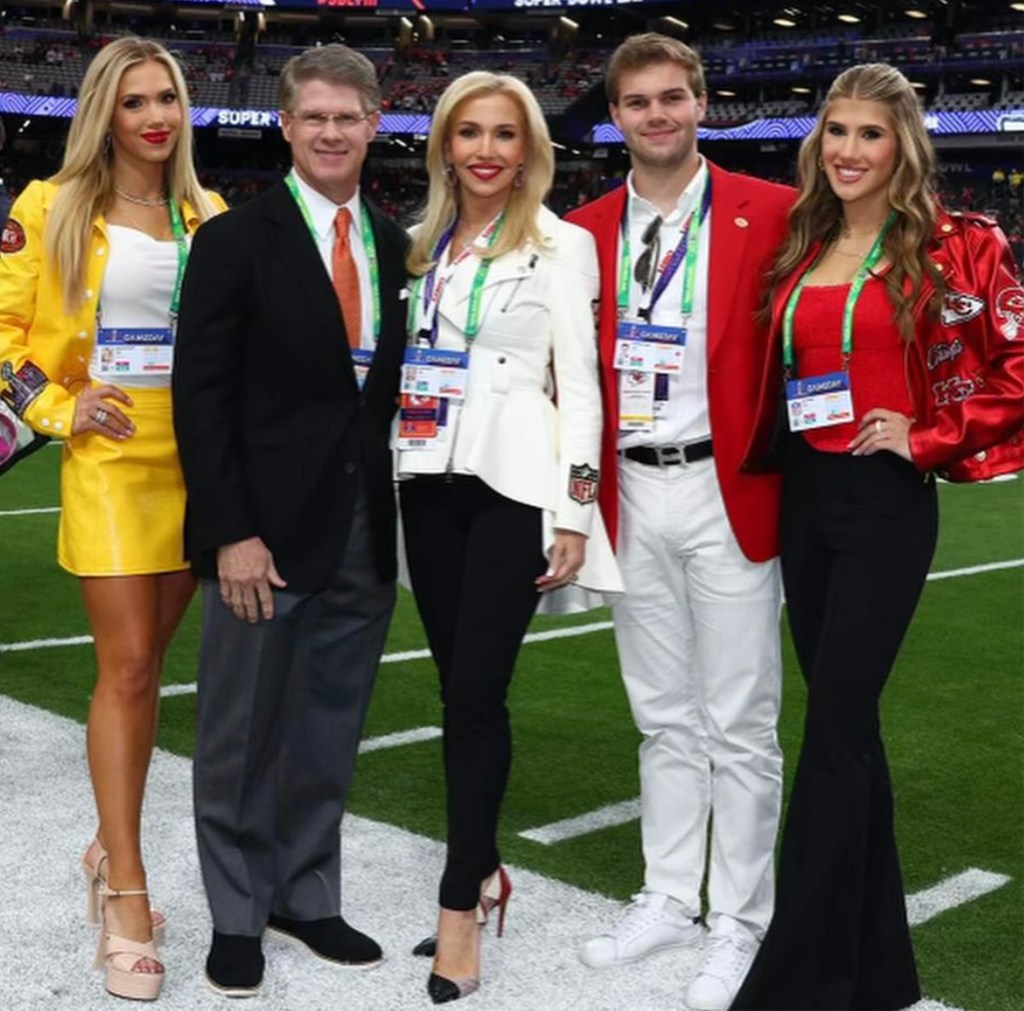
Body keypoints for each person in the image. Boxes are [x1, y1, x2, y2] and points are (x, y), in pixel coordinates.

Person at [732, 63, 1023, 1011]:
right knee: (848, 734)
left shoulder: (957, 244)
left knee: (833, 728)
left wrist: (929, 435)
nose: (849, 150)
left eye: (870, 134)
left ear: (903, 146)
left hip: (888, 500)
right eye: (837, 132)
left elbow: (1017, 367)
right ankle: (875, 970)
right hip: (807, 500)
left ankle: (797, 978)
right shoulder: (803, 237)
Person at [171, 44, 409, 997]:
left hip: (364, 523)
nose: (331, 132)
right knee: (238, 730)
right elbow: (201, 398)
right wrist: (231, 530)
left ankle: (304, 893)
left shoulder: (396, 244)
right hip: (261, 533)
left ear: (375, 122)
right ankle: (235, 911)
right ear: (285, 125)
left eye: (347, 117)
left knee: (327, 722)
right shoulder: (235, 239)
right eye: (313, 117)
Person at [566, 33, 795, 1011]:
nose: (656, 116)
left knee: (739, 724)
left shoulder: (773, 211)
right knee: (661, 717)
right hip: (627, 487)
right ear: (614, 117)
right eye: (637, 103)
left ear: (702, 104)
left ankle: (741, 921)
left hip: (727, 487)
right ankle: (667, 895)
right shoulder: (580, 230)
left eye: (672, 98)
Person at [0, 36, 224, 1001]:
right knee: (127, 667)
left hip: (199, 460)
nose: (154, 117)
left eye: (166, 97)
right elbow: (3, 333)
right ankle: (127, 890)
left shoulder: (207, 212)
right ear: (105, 111)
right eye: (134, 102)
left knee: (149, 666)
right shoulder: (47, 207)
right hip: (110, 457)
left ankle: (103, 842)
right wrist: (58, 407)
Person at [398, 71, 620, 1004]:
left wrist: (574, 510)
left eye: (504, 134)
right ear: (445, 145)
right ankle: (484, 865)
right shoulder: (419, 247)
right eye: (468, 133)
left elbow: (582, 381)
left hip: (514, 490)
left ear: (528, 148)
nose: (486, 150)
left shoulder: (564, 247)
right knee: (456, 688)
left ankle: (460, 906)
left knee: (480, 693)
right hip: (423, 481)